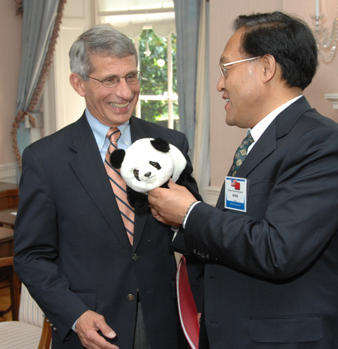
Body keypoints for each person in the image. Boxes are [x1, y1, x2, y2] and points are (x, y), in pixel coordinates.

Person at [148, 11, 338, 348]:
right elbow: (238, 230)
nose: (220, 84)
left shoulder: (321, 143)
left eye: (226, 69)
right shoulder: (259, 141)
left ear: (266, 68)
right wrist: (181, 221)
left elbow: (279, 249)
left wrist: (191, 214)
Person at [14, 25, 202, 349]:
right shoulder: (45, 160)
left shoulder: (171, 145)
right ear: (79, 83)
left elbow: (195, 231)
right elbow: (31, 256)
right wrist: (74, 315)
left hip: (165, 322)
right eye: (110, 80)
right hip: (92, 328)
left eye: (131, 76)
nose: (126, 92)